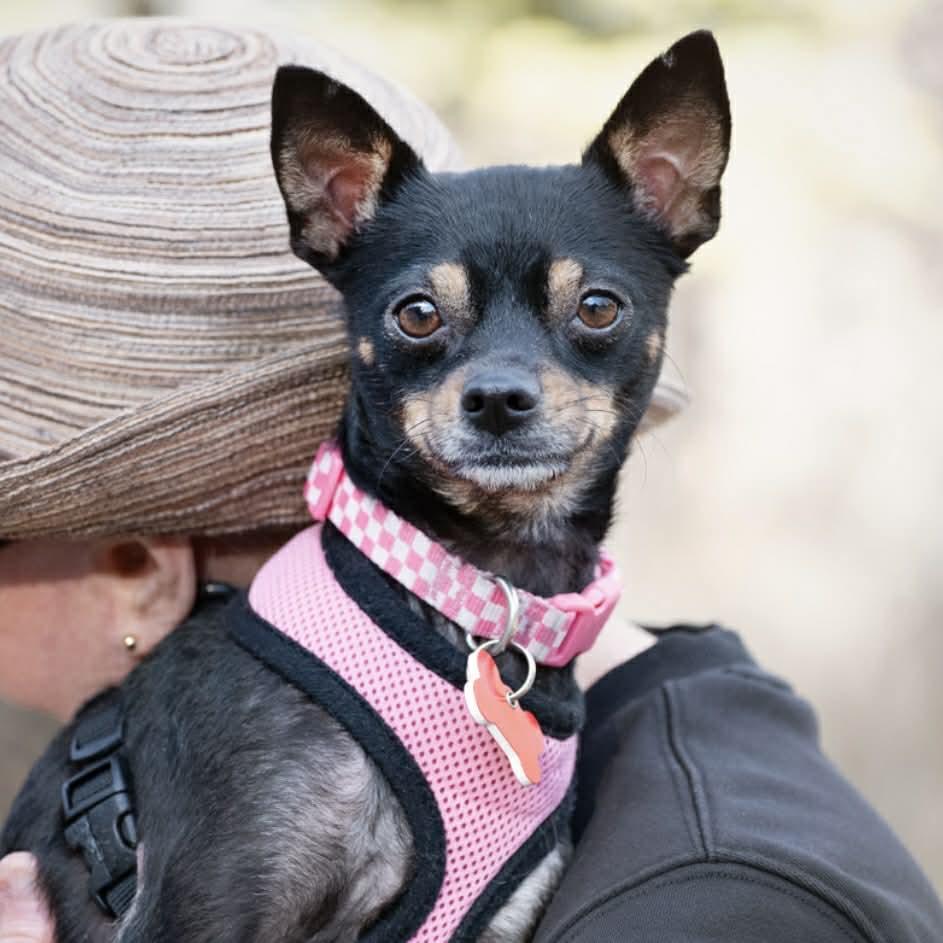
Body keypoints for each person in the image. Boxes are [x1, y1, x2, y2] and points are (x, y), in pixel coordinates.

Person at [1, 19, 941, 943]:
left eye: (592, 309)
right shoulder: (296, 685)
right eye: (422, 316)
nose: (501, 379)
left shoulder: (725, 892)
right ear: (335, 212)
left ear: (136, 563)